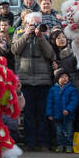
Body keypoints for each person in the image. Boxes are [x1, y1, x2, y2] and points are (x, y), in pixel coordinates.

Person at [12, 11, 55, 150]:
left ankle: (44, 143)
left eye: (38, 22)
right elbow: (14, 50)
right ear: (27, 23)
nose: (36, 25)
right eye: (33, 23)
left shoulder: (45, 35)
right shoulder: (19, 34)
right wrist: (26, 35)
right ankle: (30, 143)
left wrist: (41, 37)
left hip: (43, 81)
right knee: (29, 114)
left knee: (43, 114)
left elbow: (50, 54)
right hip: (26, 80)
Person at [46, 71, 79, 153]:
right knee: (59, 131)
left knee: (69, 131)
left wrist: (68, 110)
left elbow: (74, 101)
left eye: (66, 76)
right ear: (57, 79)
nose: (64, 78)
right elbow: (50, 102)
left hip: (68, 115)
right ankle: (60, 145)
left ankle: (68, 145)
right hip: (57, 115)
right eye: (62, 77)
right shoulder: (53, 89)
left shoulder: (72, 89)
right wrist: (49, 113)